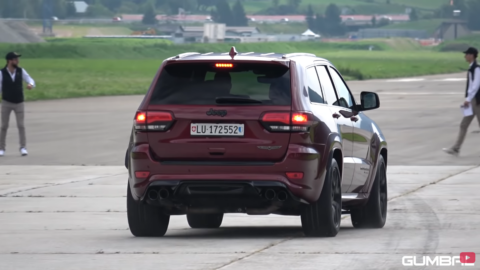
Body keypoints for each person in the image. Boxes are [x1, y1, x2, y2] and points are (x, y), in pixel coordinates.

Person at [443, 47, 480, 156]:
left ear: (472, 55)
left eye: (467, 54)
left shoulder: (477, 69)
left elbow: (476, 85)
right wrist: (468, 99)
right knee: (463, 125)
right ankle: (456, 148)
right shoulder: (471, 68)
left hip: (477, 101)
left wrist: (468, 99)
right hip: (472, 100)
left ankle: (456, 148)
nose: (465, 56)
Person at [0, 52, 35, 157]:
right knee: (4, 126)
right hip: (6, 102)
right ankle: (1, 148)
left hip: (19, 102)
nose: (17, 61)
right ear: (9, 61)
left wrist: (30, 84)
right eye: (15, 59)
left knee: (21, 125)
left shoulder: (21, 71)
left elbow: (30, 79)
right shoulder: (2, 73)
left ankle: (23, 147)